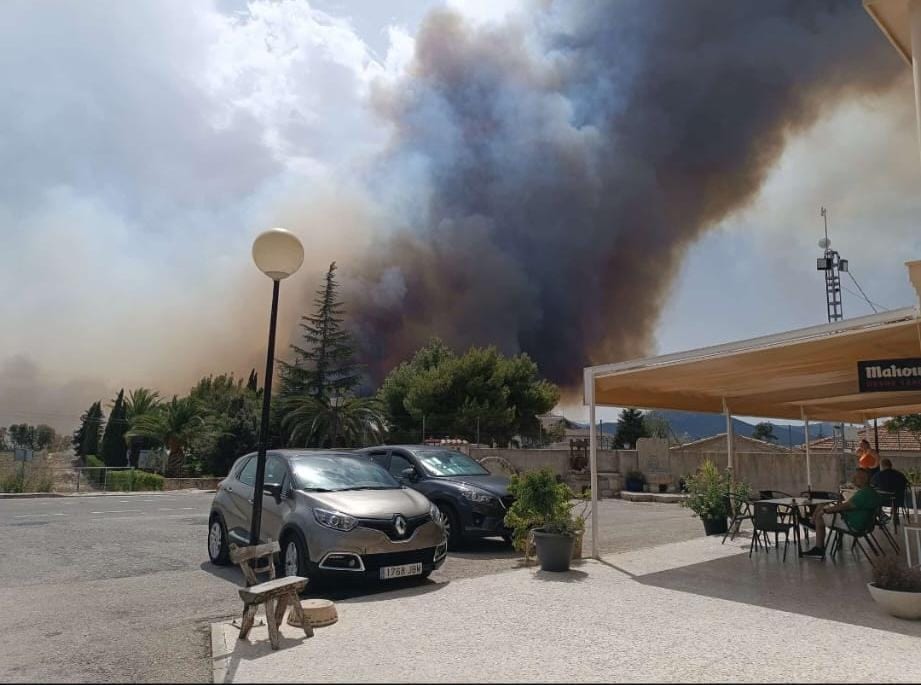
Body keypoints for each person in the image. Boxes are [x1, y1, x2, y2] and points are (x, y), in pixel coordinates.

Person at [802, 468, 881, 558]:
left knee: (821, 513)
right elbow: (852, 506)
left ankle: (818, 547)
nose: (853, 480)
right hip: (865, 525)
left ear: (864, 479)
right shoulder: (871, 492)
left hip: (852, 525)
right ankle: (812, 523)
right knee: (823, 505)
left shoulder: (864, 494)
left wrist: (826, 511)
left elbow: (846, 506)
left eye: (856, 477)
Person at [871, 458, 909, 523]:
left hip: (882, 500)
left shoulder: (878, 475)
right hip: (898, 500)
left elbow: (872, 485)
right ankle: (895, 513)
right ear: (891, 465)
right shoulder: (899, 474)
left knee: (873, 497)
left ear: (882, 466)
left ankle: (880, 515)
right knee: (894, 496)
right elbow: (906, 484)